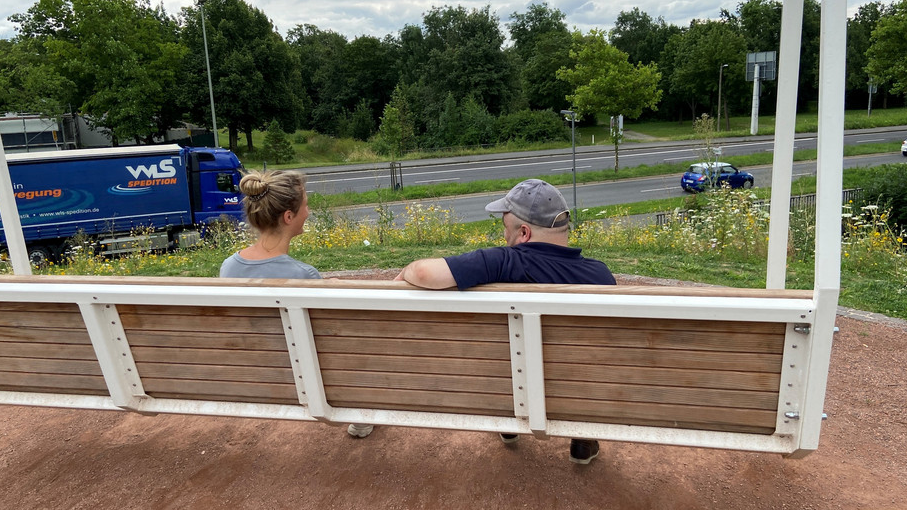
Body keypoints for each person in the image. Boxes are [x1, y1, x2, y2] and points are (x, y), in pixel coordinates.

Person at [394, 178, 615, 465]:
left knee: (508, 358)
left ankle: (510, 420)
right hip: (577, 391)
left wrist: (408, 270)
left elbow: (424, 274)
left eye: (505, 228)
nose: (503, 237)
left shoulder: (504, 262)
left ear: (523, 233)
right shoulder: (600, 276)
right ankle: (582, 436)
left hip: (510, 387)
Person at [219, 169, 374, 439]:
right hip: (300, 375)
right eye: (305, 205)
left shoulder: (228, 267)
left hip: (252, 369)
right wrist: (327, 288)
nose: (309, 210)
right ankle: (358, 413)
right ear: (288, 217)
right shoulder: (304, 276)